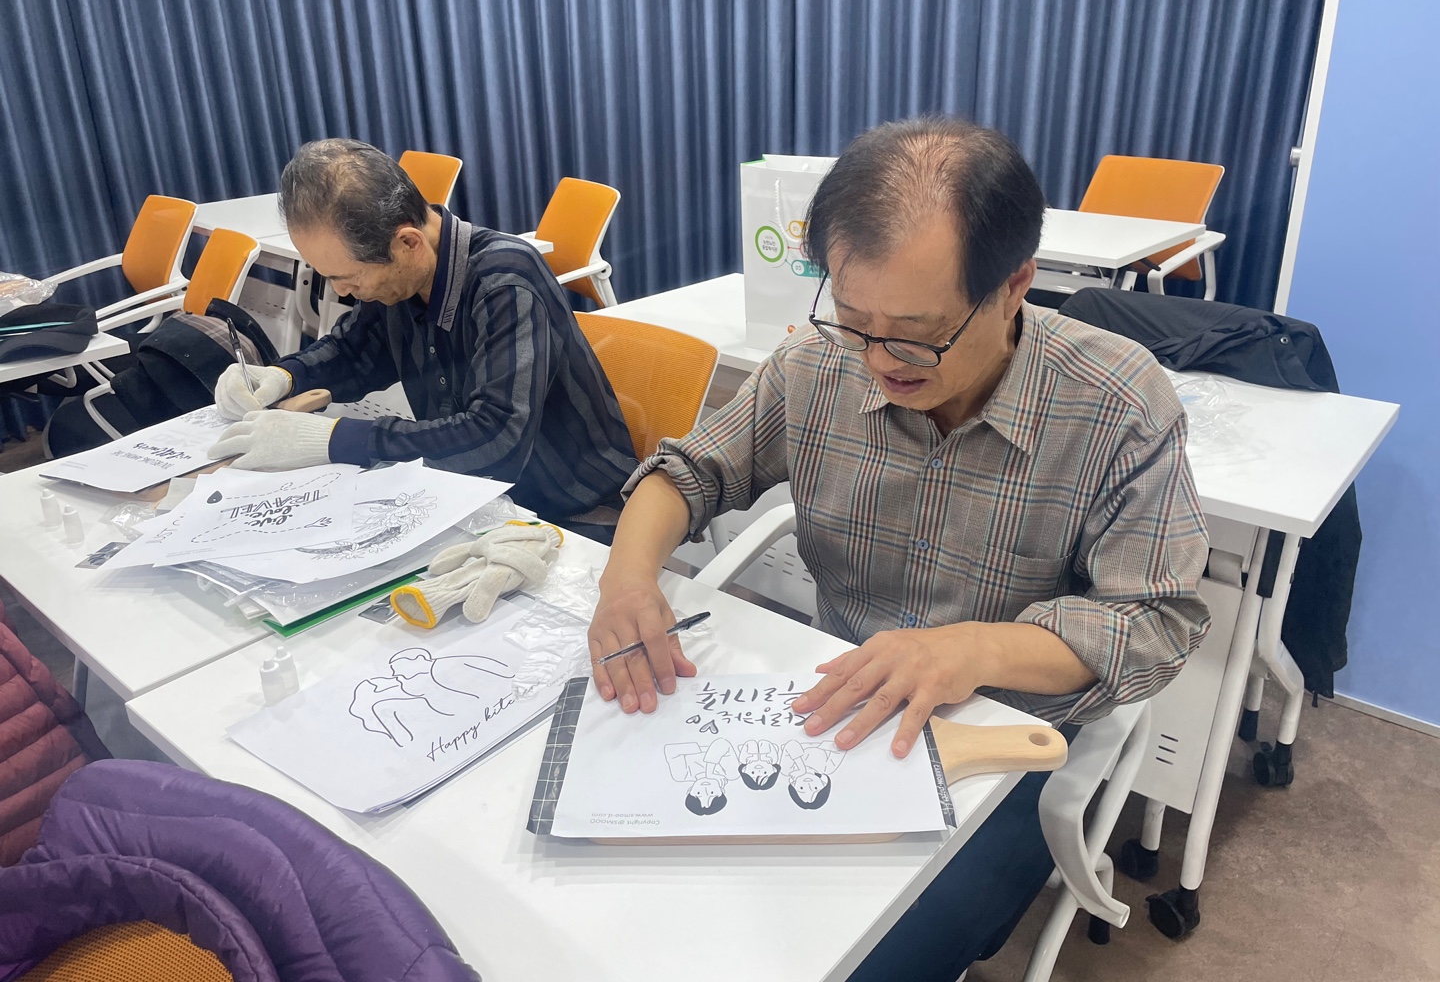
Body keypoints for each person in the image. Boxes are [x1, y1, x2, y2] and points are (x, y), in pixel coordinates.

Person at [585, 117, 1210, 979]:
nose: (881, 360)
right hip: (832, 705)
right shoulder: (818, 365)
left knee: (863, 958)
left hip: (1000, 738)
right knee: (668, 907)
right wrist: (627, 579)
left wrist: (973, 650)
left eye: (917, 332)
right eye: (854, 319)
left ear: (1014, 285)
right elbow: (689, 473)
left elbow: (1155, 620)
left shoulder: (1118, 403)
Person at [208, 139, 637, 536]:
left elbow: (495, 438)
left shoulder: (505, 281)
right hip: (471, 498)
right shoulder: (399, 276)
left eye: (347, 277)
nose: (343, 292)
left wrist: (334, 439)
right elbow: (354, 353)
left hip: (570, 513)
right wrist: (282, 376)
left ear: (408, 243)